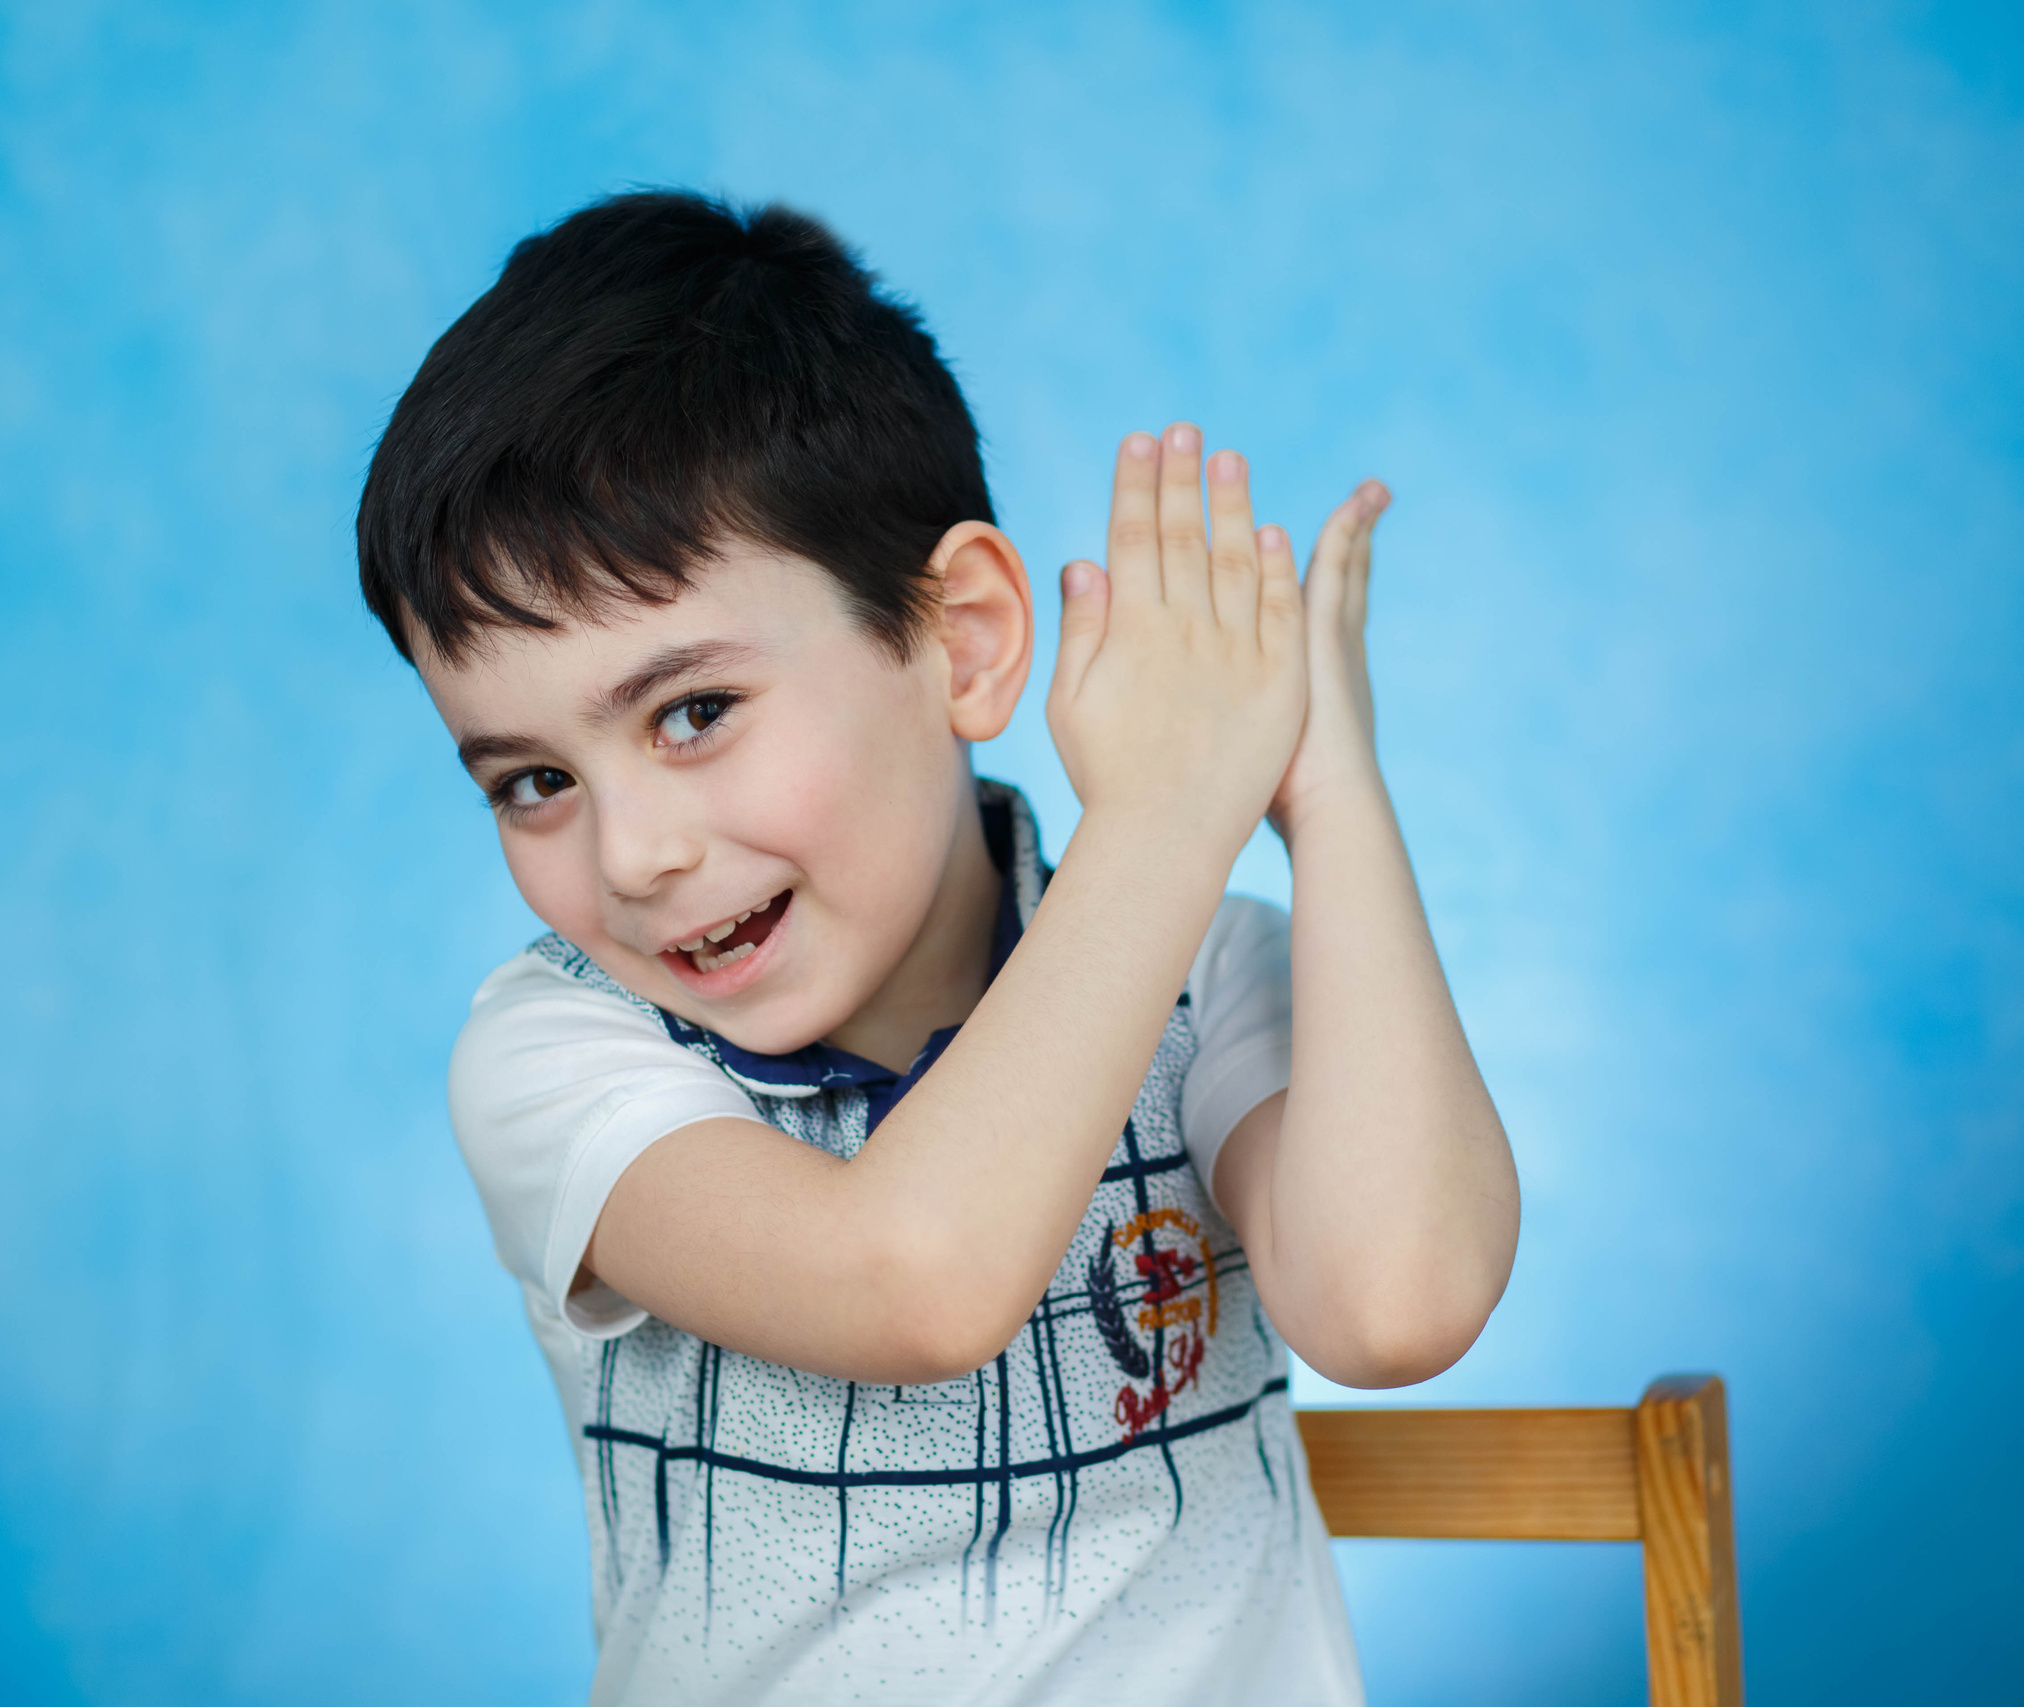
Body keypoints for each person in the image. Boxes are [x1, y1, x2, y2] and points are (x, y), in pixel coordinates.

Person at [355, 190, 1519, 1705]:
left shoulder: (1210, 972)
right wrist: (1169, 806)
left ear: (959, 640)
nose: (631, 854)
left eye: (692, 712)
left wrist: (1320, 785)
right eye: (534, 783)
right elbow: (910, 1283)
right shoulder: (558, 1058)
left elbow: (1396, 1303)